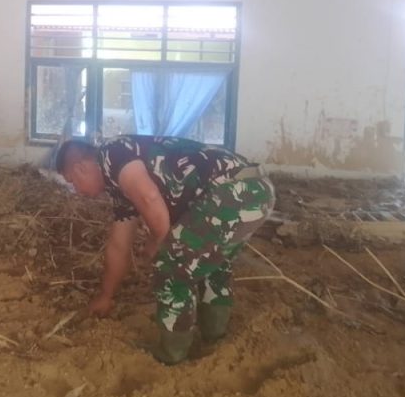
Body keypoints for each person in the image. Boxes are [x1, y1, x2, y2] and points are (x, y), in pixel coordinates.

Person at [55, 135, 274, 365]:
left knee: (171, 265)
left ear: (80, 168)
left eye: (72, 182)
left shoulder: (112, 154)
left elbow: (150, 198)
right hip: (255, 189)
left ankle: (171, 354)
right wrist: (106, 296)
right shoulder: (120, 187)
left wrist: (158, 241)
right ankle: (214, 336)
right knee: (211, 265)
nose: (76, 191)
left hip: (234, 191)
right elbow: (119, 246)